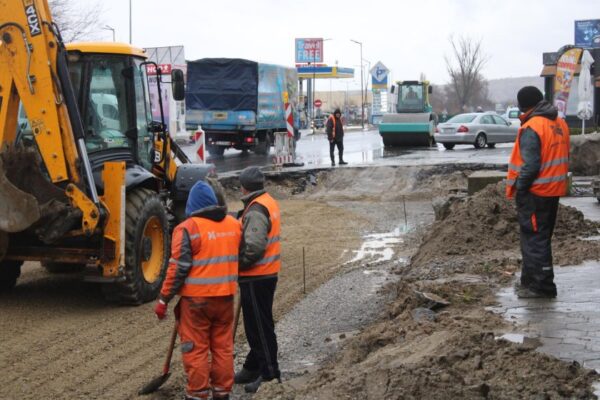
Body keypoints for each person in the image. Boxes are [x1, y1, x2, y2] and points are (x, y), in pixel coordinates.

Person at [154, 181, 241, 400]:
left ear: (192, 206)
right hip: (225, 299)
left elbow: (177, 268)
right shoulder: (233, 224)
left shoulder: (188, 228)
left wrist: (164, 299)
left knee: (196, 349)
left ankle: (199, 394)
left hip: (196, 303)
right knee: (222, 347)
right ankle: (222, 392)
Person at [506, 86, 570, 299]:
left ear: (523, 105)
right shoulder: (558, 123)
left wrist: (521, 187)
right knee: (539, 237)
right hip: (553, 190)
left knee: (534, 239)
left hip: (536, 192)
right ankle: (529, 281)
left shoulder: (533, 126)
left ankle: (541, 286)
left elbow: (531, 165)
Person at [234, 166, 282, 393]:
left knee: (260, 327)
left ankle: (270, 373)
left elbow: (253, 247)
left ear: (244, 186)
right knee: (256, 325)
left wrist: (238, 265)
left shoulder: (256, 210)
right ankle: (253, 366)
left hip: (256, 275)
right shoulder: (266, 201)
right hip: (264, 274)